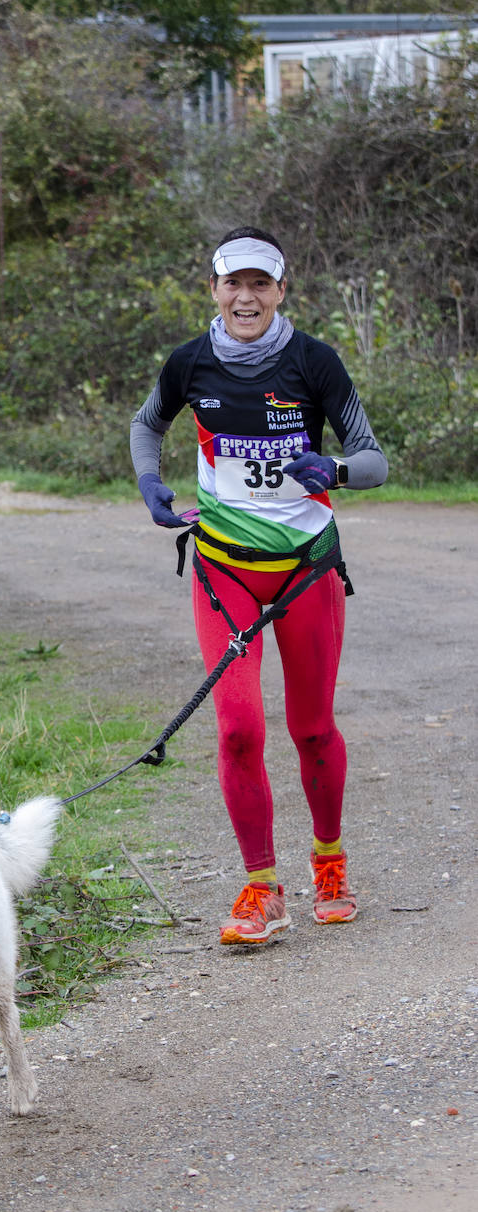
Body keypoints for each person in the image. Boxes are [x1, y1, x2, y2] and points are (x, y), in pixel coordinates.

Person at [130, 226, 387, 947]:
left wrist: (331, 471)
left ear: (281, 290)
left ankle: (329, 862)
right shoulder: (190, 363)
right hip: (224, 568)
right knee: (239, 728)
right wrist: (150, 484)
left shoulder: (314, 362)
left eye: (260, 284)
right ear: (212, 289)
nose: (246, 297)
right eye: (232, 283)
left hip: (306, 568)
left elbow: (373, 460)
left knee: (310, 729)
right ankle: (261, 886)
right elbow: (146, 425)